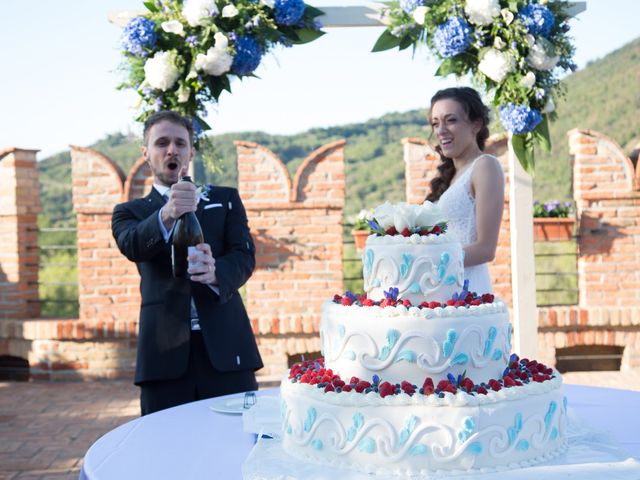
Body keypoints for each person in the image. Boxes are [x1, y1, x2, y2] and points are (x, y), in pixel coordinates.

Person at [112, 110, 263, 415]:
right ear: (146, 153)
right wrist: (167, 212)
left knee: (235, 446)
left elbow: (244, 255)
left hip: (227, 348)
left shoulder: (226, 198)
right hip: (163, 355)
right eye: (162, 143)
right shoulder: (129, 211)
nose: (172, 150)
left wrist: (214, 272)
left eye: (180, 143)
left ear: (191, 151)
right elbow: (133, 246)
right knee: (167, 452)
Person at [425, 87, 505, 294]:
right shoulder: (450, 176)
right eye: (435, 123)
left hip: (466, 289)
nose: (441, 130)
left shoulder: (485, 166)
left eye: (450, 120)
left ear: (476, 124)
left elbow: (486, 249)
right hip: (440, 290)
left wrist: (425, 259)